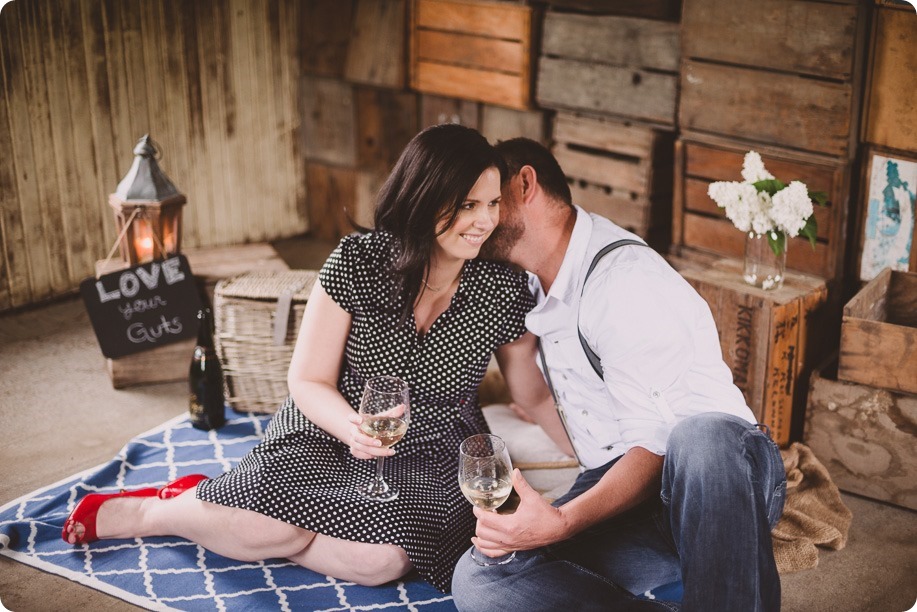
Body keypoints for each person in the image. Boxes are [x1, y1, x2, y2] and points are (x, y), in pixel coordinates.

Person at [61, 124, 559, 594]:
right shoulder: (358, 261)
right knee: (267, 530)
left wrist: (604, 469)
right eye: (467, 204)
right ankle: (157, 512)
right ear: (423, 199)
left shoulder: (503, 289)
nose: (485, 220)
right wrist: (352, 428)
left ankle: (237, 516)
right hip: (327, 421)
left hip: (432, 446)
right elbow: (308, 378)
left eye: (492, 203)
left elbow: (531, 395)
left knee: (377, 562)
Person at [452, 138, 787, 611]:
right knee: (481, 579)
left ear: (525, 184)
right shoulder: (533, 281)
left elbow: (656, 449)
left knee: (700, 436)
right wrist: (544, 520)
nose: (478, 218)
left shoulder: (622, 281)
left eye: (488, 200)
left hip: (719, 481)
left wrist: (563, 521)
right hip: (628, 494)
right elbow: (548, 402)